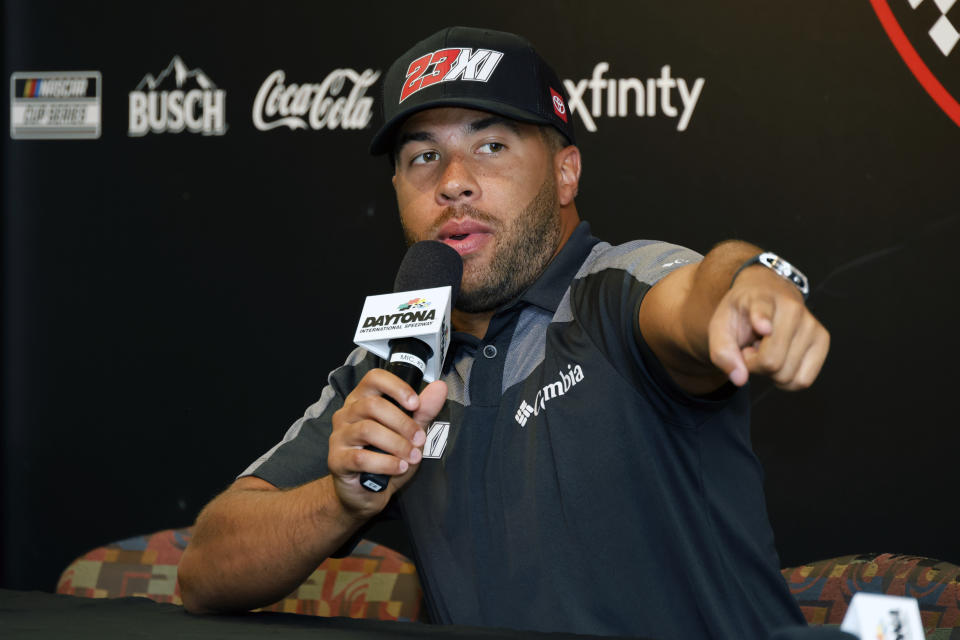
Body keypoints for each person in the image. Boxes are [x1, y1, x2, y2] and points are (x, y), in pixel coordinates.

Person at [178, 26, 831, 640]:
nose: (453, 182)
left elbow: (699, 295)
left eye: (490, 146)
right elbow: (205, 571)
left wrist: (748, 283)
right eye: (423, 156)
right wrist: (342, 500)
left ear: (566, 171)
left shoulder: (617, 288)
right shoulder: (396, 360)